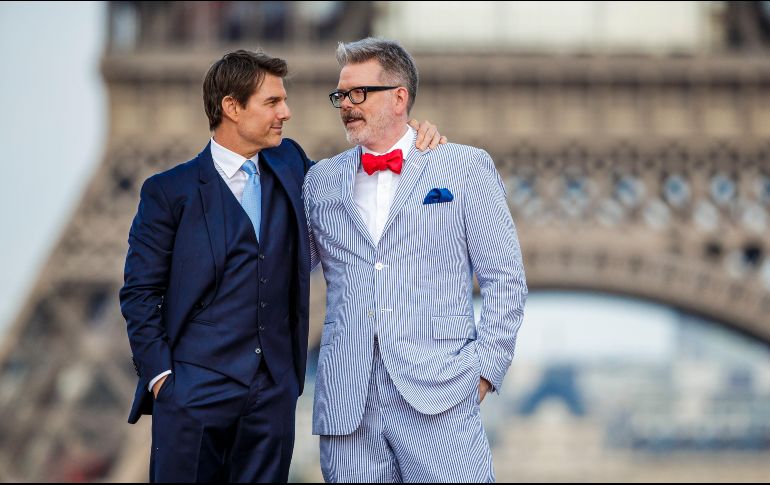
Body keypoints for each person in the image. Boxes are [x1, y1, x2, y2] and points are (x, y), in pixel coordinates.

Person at [119, 49, 444, 483]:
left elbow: (360, 180)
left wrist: (409, 137)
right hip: (192, 392)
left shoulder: (291, 164)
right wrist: (164, 382)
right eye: (272, 102)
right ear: (232, 108)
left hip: (271, 394)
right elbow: (140, 293)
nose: (286, 113)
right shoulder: (168, 192)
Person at [303, 38, 528, 483]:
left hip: (440, 395)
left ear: (399, 97)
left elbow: (505, 279)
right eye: (340, 96)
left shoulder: (463, 168)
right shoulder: (320, 181)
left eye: (358, 93)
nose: (346, 105)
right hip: (349, 404)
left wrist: (484, 371)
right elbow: (280, 274)